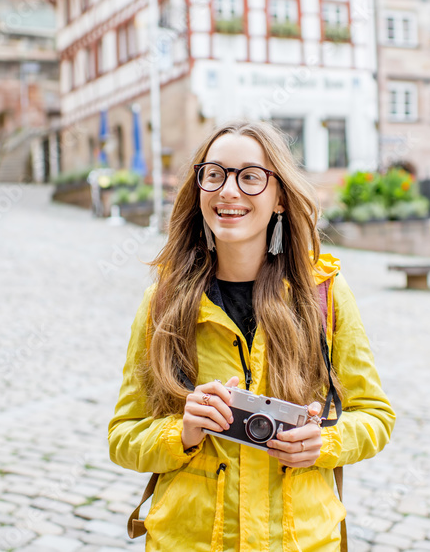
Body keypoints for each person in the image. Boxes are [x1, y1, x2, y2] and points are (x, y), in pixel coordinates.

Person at [108, 119, 395, 551]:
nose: (228, 191)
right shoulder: (162, 305)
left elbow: (376, 415)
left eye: (250, 177)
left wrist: (325, 442)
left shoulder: (325, 295)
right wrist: (181, 433)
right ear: (199, 188)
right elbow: (123, 437)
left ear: (279, 197)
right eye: (215, 174)